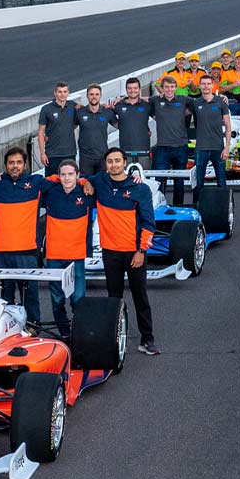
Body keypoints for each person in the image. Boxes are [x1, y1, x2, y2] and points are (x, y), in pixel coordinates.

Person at [93, 147, 159, 355]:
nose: (114, 164)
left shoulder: (140, 189)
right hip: (110, 252)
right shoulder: (100, 182)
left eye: (117, 161)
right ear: (106, 165)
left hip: (134, 253)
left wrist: (141, 251)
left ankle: (147, 339)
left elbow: (149, 223)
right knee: (114, 299)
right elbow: (75, 178)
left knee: (140, 296)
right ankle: (115, 340)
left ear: (124, 163)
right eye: (110, 161)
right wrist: (86, 183)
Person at [37, 159, 95, 335]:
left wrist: (86, 181)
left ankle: (80, 332)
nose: (67, 178)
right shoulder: (50, 191)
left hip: (77, 254)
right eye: (63, 174)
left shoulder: (87, 192)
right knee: (56, 299)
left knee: (78, 298)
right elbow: (37, 183)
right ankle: (64, 332)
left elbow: (105, 180)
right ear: (58, 176)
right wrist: (54, 178)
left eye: (71, 174)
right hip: (54, 254)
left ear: (77, 175)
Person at [0, 147, 45, 317]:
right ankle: (6, 336)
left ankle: (33, 330)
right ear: (5, 165)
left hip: (27, 253)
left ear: (24, 164)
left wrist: (83, 182)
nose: (15, 166)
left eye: (19, 162)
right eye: (11, 163)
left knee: (31, 298)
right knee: (4, 301)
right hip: (1, 254)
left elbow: (64, 180)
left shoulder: (36, 182)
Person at [187, 74, 234, 201]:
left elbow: (228, 127)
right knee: (198, 184)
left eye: (208, 84)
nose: (206, 86)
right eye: (203, 84)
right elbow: (180, 110)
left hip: (218, 148)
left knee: (221, 182)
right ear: (199, 86)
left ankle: (223, 209)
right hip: (200, 149)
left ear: (212, 85)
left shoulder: (221, 102)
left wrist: (227, 148)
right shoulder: (195, 103)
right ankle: (197, 208)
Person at [149, 76, 192, 206]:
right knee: (159, 180)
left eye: (172, 87)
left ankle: (178, 207)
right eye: (166, 87)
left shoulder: (183, 99)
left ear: (176, 88)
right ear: (162, 88)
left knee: (179, 182)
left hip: (181, 147)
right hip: (162, 147)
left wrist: (220, 98)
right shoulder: (155, 100)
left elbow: (201, 101)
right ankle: (160, 206)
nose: (169, 90)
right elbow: (140, 100)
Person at [110, 77, 154, 166]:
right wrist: (121, 126)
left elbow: (160, 117)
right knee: (125, 178)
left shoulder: (147, 105)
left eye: (135, 88)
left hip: (143, 151)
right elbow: (107, 114)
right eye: (129, 88)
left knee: (143, 178)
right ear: (126, 90)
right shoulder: (118, 105)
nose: (132, 91)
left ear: (139, 89)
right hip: (125, 152)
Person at [36, 82, 78, 176]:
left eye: (65, 91)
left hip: (69, 153)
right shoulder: (46, 109)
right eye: (59, 92)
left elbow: (87, 111)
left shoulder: (73, 106)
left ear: (68, 93)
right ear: (55, 93)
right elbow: (41, 132)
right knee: (51, 183)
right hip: (52, 154)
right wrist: (42, 153)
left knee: (69, 182)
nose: (62, 94)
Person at [75, 83, 113, 176]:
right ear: (87, 96)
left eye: (97, 94)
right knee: (86, 186)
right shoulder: (80, 111)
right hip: (85, 158)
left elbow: (121, 125)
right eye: (91, 94)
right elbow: (68, 127)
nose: (94, 97)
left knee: (101, 186)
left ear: (100, 96)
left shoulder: (107, 111)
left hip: (102, 157)